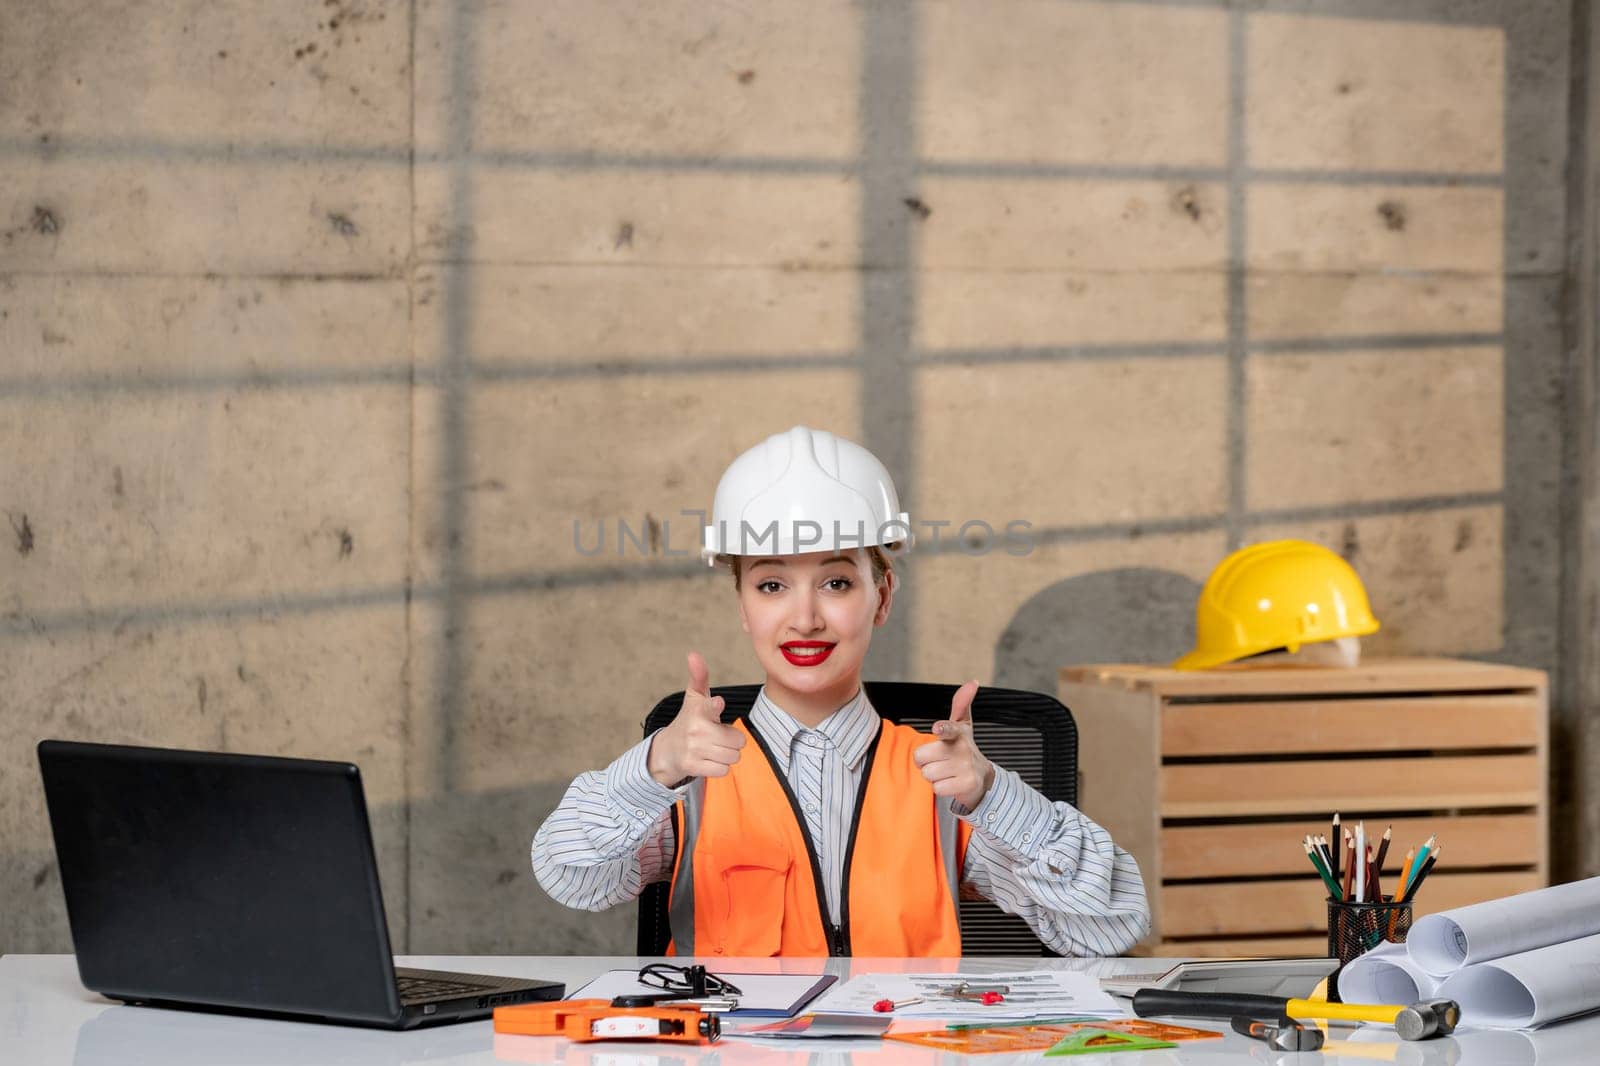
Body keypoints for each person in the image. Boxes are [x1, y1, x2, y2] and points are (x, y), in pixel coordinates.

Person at [532, 426, 1149, 956]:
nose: (805, 619)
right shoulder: (689, 776)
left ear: (881, 597)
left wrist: (993, 796)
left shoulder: (940, 781)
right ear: (743, 606)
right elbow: (570, 879)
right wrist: (650, 769)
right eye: (772, 586)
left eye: (835, 583)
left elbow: (1111, 927)